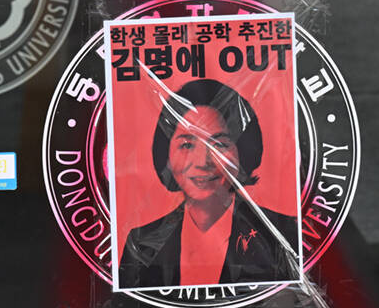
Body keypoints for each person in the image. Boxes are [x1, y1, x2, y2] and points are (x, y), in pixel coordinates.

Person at [117, 79, 299, 289]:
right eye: (187, 145)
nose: (202, 162)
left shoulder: (280, 234)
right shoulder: (141, 242)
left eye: (219, 145)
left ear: (242, 152)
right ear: (166, 154)